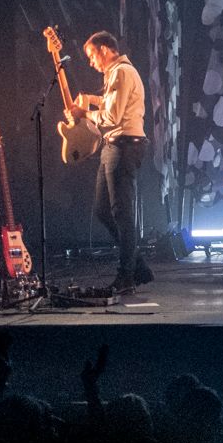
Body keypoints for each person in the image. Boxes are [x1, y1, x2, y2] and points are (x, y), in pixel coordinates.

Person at [69, 31, 151, 294]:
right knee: (104, 210)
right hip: (113, 146)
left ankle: (127, 276)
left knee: (120, 213)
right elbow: (114, 103)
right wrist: (91, 100)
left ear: (105, 49)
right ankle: (136, 266)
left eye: (93, 56)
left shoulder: (121, 72)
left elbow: (113, 116)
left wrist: (85, 113)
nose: (92, 62)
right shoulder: (116, 74)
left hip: (124, 146)